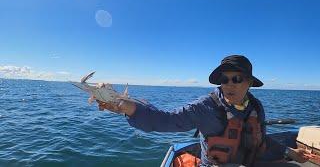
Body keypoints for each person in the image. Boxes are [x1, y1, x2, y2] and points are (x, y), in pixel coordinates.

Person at [97, 55, 312, 166]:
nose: (229, 84)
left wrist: (289, 152)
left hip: (250, 161)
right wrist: (125, 106)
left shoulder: (256, 107)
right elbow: (164, 120)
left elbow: (261, 140)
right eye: (224, 80)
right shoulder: (205, 107)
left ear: (249, 82)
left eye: (237, 78)